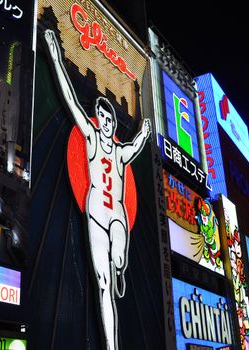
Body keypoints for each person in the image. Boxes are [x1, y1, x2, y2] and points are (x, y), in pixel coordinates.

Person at [44, 29, 151, 350]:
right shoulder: (90, 137)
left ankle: (121, 265)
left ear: (113, 124)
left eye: (108, 118)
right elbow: (70, 99)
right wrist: (53, 52)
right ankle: (112, 345)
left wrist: (146, 130)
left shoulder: (119, 153)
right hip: (94, 213)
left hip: (116, 213)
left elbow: (138, 144)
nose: (104, 121)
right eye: (101, 116)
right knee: (102, 285)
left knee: (118, 257)